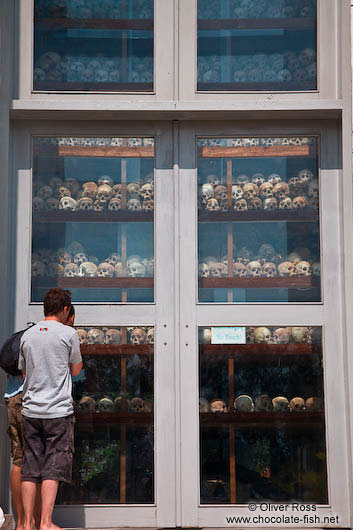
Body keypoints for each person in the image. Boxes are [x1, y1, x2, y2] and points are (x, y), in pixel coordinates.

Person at [19, 288, 82, 530]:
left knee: (30, 468)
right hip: (58, 411)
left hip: (31, 410)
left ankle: (26, 524)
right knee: (53, 467)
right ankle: (45, 522)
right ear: (66, 309)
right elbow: (76, 370)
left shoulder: (28, 335)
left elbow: (24, 372)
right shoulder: (69, 334)